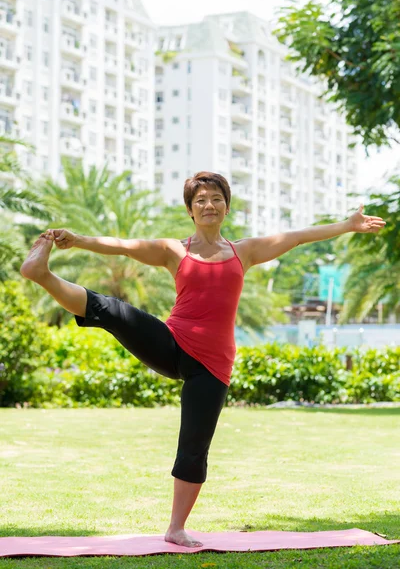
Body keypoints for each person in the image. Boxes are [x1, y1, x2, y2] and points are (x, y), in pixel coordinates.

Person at [20, 171, 386, 547]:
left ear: (226, 206)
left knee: (194, 446)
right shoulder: (172, 250)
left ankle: (176, 528)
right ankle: (42, 275)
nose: (208, 205)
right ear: (190, 210)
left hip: (213, 365)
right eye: (200, 200)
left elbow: (296, 237)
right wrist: (78, 240)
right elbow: (124, 246)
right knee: (111, 309)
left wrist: (346, 225)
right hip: (172, 342)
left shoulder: (245, 251)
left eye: (215, 198)